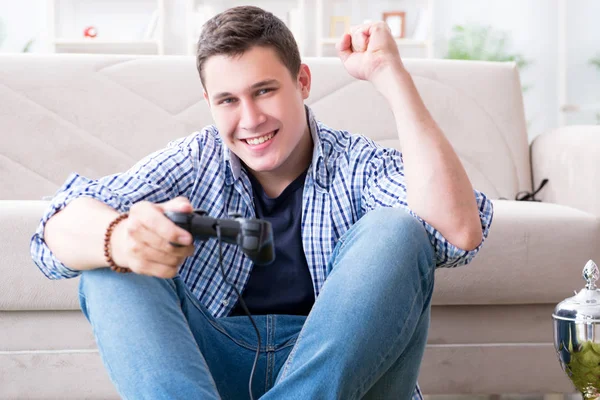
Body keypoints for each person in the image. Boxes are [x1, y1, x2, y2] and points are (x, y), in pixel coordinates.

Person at [30, 5, 493, 400]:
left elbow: (458, 232)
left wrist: (391, 77)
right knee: (109, 256)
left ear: (303, 81)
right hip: (215, 370)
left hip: (345, 375)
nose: (250, 119)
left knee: (398, 231)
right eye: (228, 100)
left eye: (264, 91)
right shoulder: (193, 160)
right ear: (208, 103)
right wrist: (119, 239)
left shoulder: (357, 164)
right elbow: (55, 227)